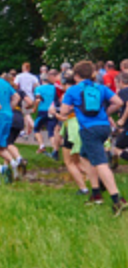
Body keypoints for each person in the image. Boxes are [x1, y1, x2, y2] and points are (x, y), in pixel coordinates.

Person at [60, 61, 126, 214]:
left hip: (89, 130)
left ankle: (117, 200)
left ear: (76, 76)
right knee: (84, 156)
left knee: (100, 162)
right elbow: (118, 102)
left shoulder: (73, 90)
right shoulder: (101, 87)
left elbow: (63, 112)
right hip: (104, 127)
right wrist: (107, 113)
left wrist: (68, 107)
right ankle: (96, 193)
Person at [34, 73, 58, 155]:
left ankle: (41, 146)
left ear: (41, 80)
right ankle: (55, 150)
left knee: (36, 128)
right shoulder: (54, 88)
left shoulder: (38, 88)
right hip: (52, 110)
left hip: (42, 111)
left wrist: (34, 108)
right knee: (51, 131)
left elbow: (38, 99)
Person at [15, 62, 39, 136]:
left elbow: (15, 85)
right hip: (31, 97)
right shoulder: (33, 77)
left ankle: (35, 128)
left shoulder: (19, 76)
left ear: (24, 68)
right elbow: (37, 86)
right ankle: (26, 131)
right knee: (27, 114)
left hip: (23, 96)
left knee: (26, 114)